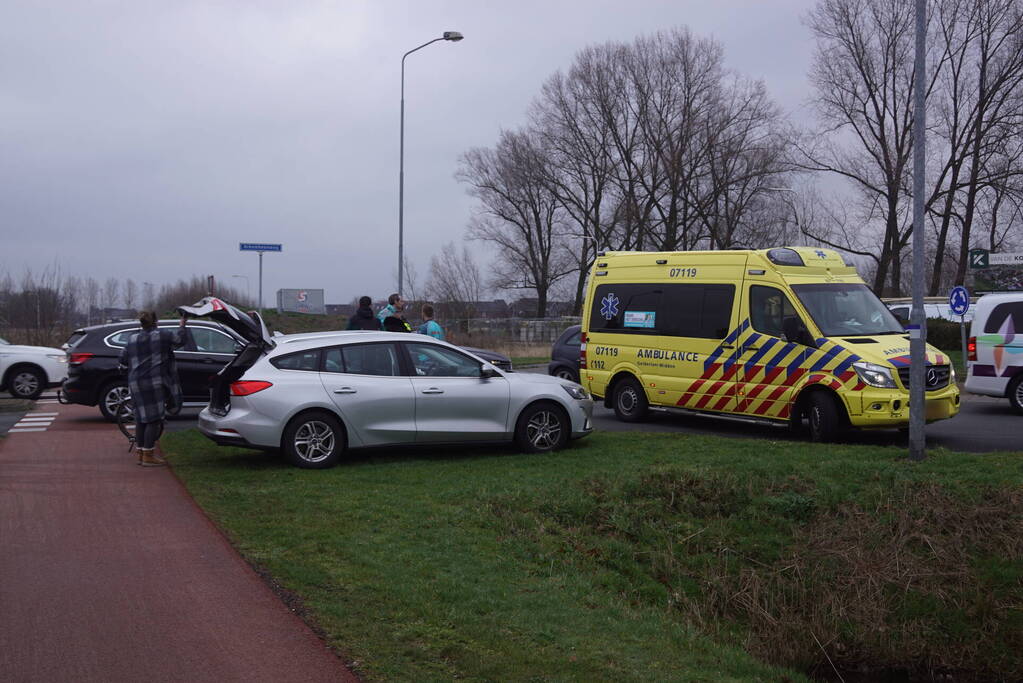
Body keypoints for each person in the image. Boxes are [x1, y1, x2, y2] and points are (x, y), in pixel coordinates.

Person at [118, 311, 185, 466]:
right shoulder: (163, 335)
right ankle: (149, 455)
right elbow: (181, 340)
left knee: (141, 419)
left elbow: (122, 358)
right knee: (154, 419)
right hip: (155, 382)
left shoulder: (132, 339)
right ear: (156, 321)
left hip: (135, 382)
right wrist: (182, 325)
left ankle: (141, 453)